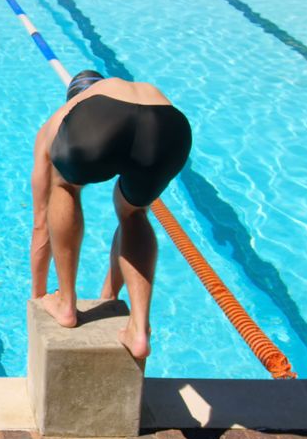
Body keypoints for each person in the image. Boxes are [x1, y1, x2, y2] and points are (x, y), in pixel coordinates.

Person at [29, 71, 191, 359]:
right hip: (169, 125)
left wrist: (39, 296)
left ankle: (66, 304)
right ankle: (138, 330)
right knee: (134, 214)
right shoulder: (130, 90)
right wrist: (109, 297)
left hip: (103, 121)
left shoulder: (59, 120)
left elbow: (42, 224)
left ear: (74, 100)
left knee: (63, 187)